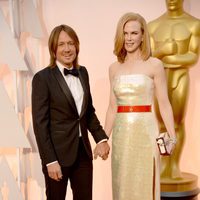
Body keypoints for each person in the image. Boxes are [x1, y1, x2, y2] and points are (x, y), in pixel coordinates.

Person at [101, 12, 176, 200]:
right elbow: (112, 107)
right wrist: (103, 139)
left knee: (144, 185)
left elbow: (165, 104)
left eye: (134, 33)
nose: (129, 38)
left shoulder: (155, 65)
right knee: (122, 186)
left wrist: (172, 137)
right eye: (125, 33)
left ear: (143, 35)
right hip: (121, 135)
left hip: (146, 132)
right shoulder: (113, 68)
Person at [32, 24, 110, 200]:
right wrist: (49, 160)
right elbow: (40, 124)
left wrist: (102, 139)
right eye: (61, 44)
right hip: (57, 157)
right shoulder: (42, 78)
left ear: (77, 46)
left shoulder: (83, 73)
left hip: (83, 154)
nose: (67, 49)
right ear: (53, 49)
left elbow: (88, 112)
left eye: (70, 43)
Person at [148, 0, 200, 179]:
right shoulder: (153, 26)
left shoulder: (194, 24)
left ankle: (174, 166)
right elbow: (149, 57)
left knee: (177, 123)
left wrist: (165, 59)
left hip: (179, 78)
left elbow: (193, 57)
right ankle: (164, 164)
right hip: (158, 79)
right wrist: (164, 50)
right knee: (161, 123)